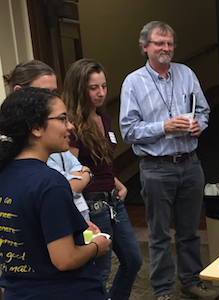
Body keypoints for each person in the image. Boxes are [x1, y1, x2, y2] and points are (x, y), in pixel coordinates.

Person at [120, 21, 219, 300]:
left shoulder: (186, 73)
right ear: (145, 48)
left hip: (190, 163)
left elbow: (203, 111)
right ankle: (163, 290)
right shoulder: (133, 82)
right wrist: (164, 127)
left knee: (190, 231)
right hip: (156, 167)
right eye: (159, 43)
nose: (166, 48)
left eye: (169, 43)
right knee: (160, 235)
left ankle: (190, 281)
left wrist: (200, 124)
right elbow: (128, 131)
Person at [0, 87, 111, 299]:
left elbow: (25, 228)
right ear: (36, 128)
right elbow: (65, 259)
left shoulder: (5, 174)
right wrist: (97, 246)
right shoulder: (49, 182)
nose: (71, 126)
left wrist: (72, 228)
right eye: (62, 119)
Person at [63, 58, 142, 300]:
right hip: (92, 204)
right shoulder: (72, 127)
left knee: (133, 261)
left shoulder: (104, 118)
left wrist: (116, 181)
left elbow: (101, 161)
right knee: (101, 270)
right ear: (80, 89)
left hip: (113, 200)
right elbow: (72, 170)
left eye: (104, 86)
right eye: (93, 88)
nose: (101, 93)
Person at [3, 60, 98, 231]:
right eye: (45, 92)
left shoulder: (55, 140)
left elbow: (77, 171)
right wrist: (82, 176)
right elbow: (64, 187)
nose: (53, 98)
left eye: (54, 92)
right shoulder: (20, 151)